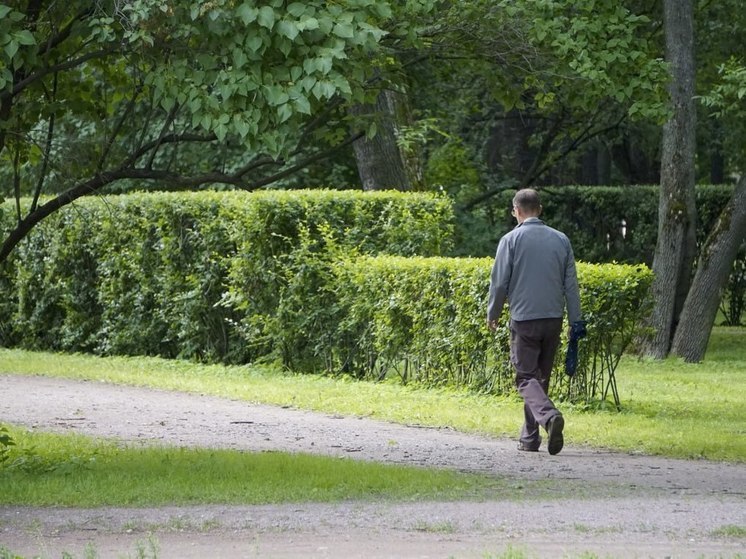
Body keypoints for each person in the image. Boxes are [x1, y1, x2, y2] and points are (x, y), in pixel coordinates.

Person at [486, 188, 582, 455]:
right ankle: (530, 438)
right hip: (553, 318)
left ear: (516, 211)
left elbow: (499, 282)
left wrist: (492, 314)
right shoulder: (561, 240)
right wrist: (576, 319)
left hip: (524, 318)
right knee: (539, 379)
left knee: (525, 378)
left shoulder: (510, 240)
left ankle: (550, 417)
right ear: (539, 209)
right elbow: (570, 285)